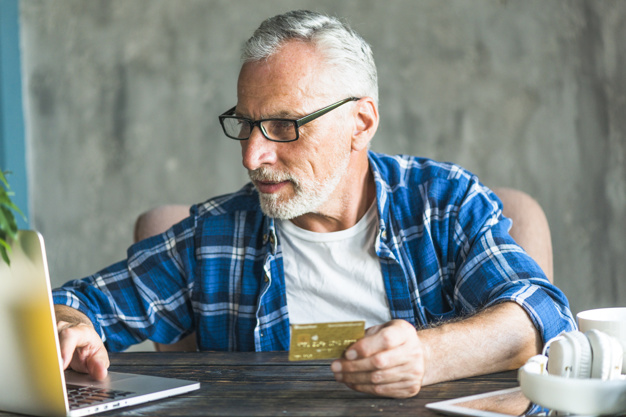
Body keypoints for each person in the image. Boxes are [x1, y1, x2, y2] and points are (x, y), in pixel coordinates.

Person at [53, 10, 575, 398]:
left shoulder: (441, 204)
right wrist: (67, 326)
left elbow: (545, 316)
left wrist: (428, 355)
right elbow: (78, 304)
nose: (253, 156)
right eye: (246, 125)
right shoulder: (215, 236)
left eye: (284, 125)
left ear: (361, 123)